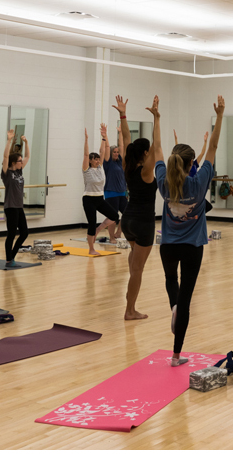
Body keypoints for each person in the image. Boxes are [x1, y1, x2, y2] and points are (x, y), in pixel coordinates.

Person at [156, 94, 224, 367]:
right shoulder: (199, 184)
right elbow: (214, 146)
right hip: (193, 247)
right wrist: (220, 115)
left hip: (168, 245)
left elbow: (158, 148)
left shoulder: (163, 184)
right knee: (186, 302)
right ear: (190, 164)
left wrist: (157, 118)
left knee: (171, 280)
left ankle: (173, 305)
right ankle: (175, 355)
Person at [119, 95, 155, 321]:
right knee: (138, 270)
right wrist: (157, 120)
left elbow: (125, 138)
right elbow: (158, 147)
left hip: (128, 221)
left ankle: (130, 298)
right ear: (144, 153)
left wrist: (123, 115)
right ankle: (130, 310)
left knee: (135, 261)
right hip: (143, 223)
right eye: (148, 150)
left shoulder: (128, 166)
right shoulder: (146, 170)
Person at [82, 124, 119, 256]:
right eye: (95, 159)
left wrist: (104, 136)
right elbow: (86, 154)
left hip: (99, 198)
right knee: (91, 223)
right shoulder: (87, 170)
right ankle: (91, 248)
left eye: (98, 159)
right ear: (91, 161)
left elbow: (103, 151)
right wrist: (86, 139)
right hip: (88, 199)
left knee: (115, 216)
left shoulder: (100, 168)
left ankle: (99, 229)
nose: (97, 161)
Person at [1, 128, 30, 267]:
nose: (21, 162)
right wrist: (9, 140)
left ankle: (12, 255)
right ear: (13, 163)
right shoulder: (7, 174)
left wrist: (27, 143)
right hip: (10, 207)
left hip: (19, 207)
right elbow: (6, 157)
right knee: (11, 234)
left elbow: (28, 157)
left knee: (24, 233)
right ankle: (8, 259)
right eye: (19, 161)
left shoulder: (19, 171)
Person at [103, 125, 128, 220]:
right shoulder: (108, 162)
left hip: (122, 192)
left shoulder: (120, 161)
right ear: (110, 153)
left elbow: (121, 146)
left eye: (117, 152)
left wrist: (120, 133)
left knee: (127, 214)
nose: (117, 153)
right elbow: (107, 147)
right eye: (114, 152)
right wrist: (105, 136)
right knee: (113, 217)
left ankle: (118, 233)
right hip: (111, 192)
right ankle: (109, 234)